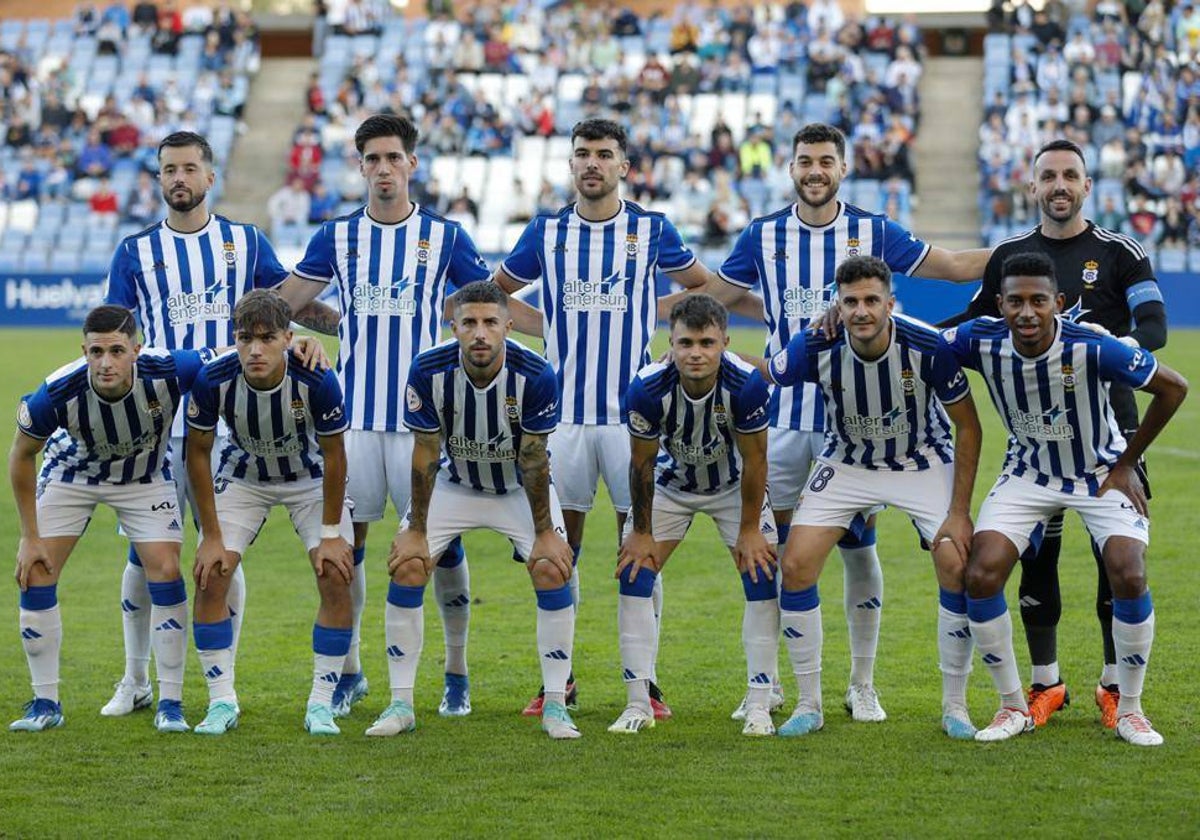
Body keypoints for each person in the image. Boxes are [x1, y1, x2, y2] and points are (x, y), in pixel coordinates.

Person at [694, 122, 991, 721]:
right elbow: (716, 297)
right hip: (781, 422)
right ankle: (769, 681)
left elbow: (957, 265)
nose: (815, 170)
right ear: (791, 168)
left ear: (843, 168)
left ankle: (862, 684)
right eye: (805, 160)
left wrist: (1037, 250)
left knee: (858, 548)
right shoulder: (762, 235)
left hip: (849, 427)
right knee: (778, 555)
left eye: (826, 161)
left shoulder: (875, 231)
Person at [491, 117, 722, 717]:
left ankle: (644, 681)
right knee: (557, 548)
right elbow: (494, 298)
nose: (592, 163)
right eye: (582, 154)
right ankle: (556, 682)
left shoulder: (650, 229)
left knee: (639, 545)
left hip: (633, 421)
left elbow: (703, 292)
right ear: (570, 166)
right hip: (560, 420)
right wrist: (544, 324)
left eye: (604, 154)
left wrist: (650, 310)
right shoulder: (546, 233)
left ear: (624, 166)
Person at [940, 138, 1169, 730]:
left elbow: (1155, 325)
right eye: (1049, 176)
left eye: (1071, 175)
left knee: (1113, 562)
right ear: (1033, 186)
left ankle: (1117, 686)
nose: (1060, 185)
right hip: (1034, 437)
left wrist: (1114, 352)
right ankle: (1044, 684)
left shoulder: (1120, 252)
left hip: (1109, 422)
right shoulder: (1011, 255)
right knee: (1035, 559)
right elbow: (968, 324)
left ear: (1087, 185)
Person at [102, 131, 329, 720]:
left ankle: (221, 687)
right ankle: (135, 679)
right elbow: (116, 340)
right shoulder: (134, 252)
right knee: (145, 555)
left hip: (227, 424)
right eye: (168, 170)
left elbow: (284, 309)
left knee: (221, 554)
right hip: (155, 424)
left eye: (189, 168)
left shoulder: (245, 242)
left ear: (210, 176)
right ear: (159, 180)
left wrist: (332, 329)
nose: (179, 178)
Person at [276, 114, 496, 719]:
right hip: (354, 420)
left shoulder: (446, 237)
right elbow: (283, 305)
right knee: (351, 545)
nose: (382, 169)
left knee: (441, 545)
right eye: (372, 159)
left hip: (426, 422)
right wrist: (292, 335)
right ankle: (349, 673)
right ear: (361, 166)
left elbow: (486, 307)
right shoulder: (336, 237)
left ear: (412, 165)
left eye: (393, 158)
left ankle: (456, 673)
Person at [756, 255, 983, 738]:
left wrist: (960, 512)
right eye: (851, 301)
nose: (861, 311)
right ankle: (808, 703)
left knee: (955, 562)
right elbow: (763, 378)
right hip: (848, 461)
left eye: (871, 301)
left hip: (921, 459)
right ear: (837, 305)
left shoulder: (925, 344)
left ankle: (956, 706)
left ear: (890, 303)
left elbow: (968, 425)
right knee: (795, 565)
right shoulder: (816, 344)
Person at [363, 282, 579, 740]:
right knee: (407, 565)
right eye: (469, 323)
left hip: (517, 489)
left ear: (508, 325)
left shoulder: (536, 374)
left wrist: (544, 534)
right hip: (456, 484)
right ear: (453, 326)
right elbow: (424, 453)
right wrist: (416, 528)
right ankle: (401, 703)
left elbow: (535, 459)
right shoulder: (427, 369)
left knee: (551, 568)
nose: (479, 333)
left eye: (489, 323)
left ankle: (556, 706)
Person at [9, 306, 206, 732]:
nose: (106, 362)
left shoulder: (169, 369)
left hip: (143, 476)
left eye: (117, 351)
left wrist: (297, 343)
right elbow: (21, 456)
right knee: (37, 572)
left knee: (167, 570)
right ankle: (46, 703)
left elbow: (229, 357)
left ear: (136, 350)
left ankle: (170, 703)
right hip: (72, 474)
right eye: (96, 351)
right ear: (84, 350)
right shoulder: (58, 390)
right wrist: (29, 536)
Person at [185, 291, 355, 736]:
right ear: (234, 339)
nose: (255, 350)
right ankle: (221, 702)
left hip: (310, 478)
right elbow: (198, 454)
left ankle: (321, 703)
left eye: (266, 338)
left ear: (288, 338)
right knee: (211, 573)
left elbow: (336, 456)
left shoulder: (317, 378)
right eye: (245, 339)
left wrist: (332, 532)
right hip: (245, 476)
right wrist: (210, 535)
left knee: (336, 573)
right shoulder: (214, 379)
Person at [613, 295, 779, 737]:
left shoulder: (746, 385)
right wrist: (642, 533)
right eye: (686, 343)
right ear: (670, 342)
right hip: (672, 485)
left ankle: (760, 702)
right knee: (633, 572)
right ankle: (637, 703)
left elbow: (757, 460)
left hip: (733, 487)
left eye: (707, 342)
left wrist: (749, 530)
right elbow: (641, 463)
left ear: (725, 342)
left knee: (761, 573)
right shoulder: (647, 387)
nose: (696, 353)